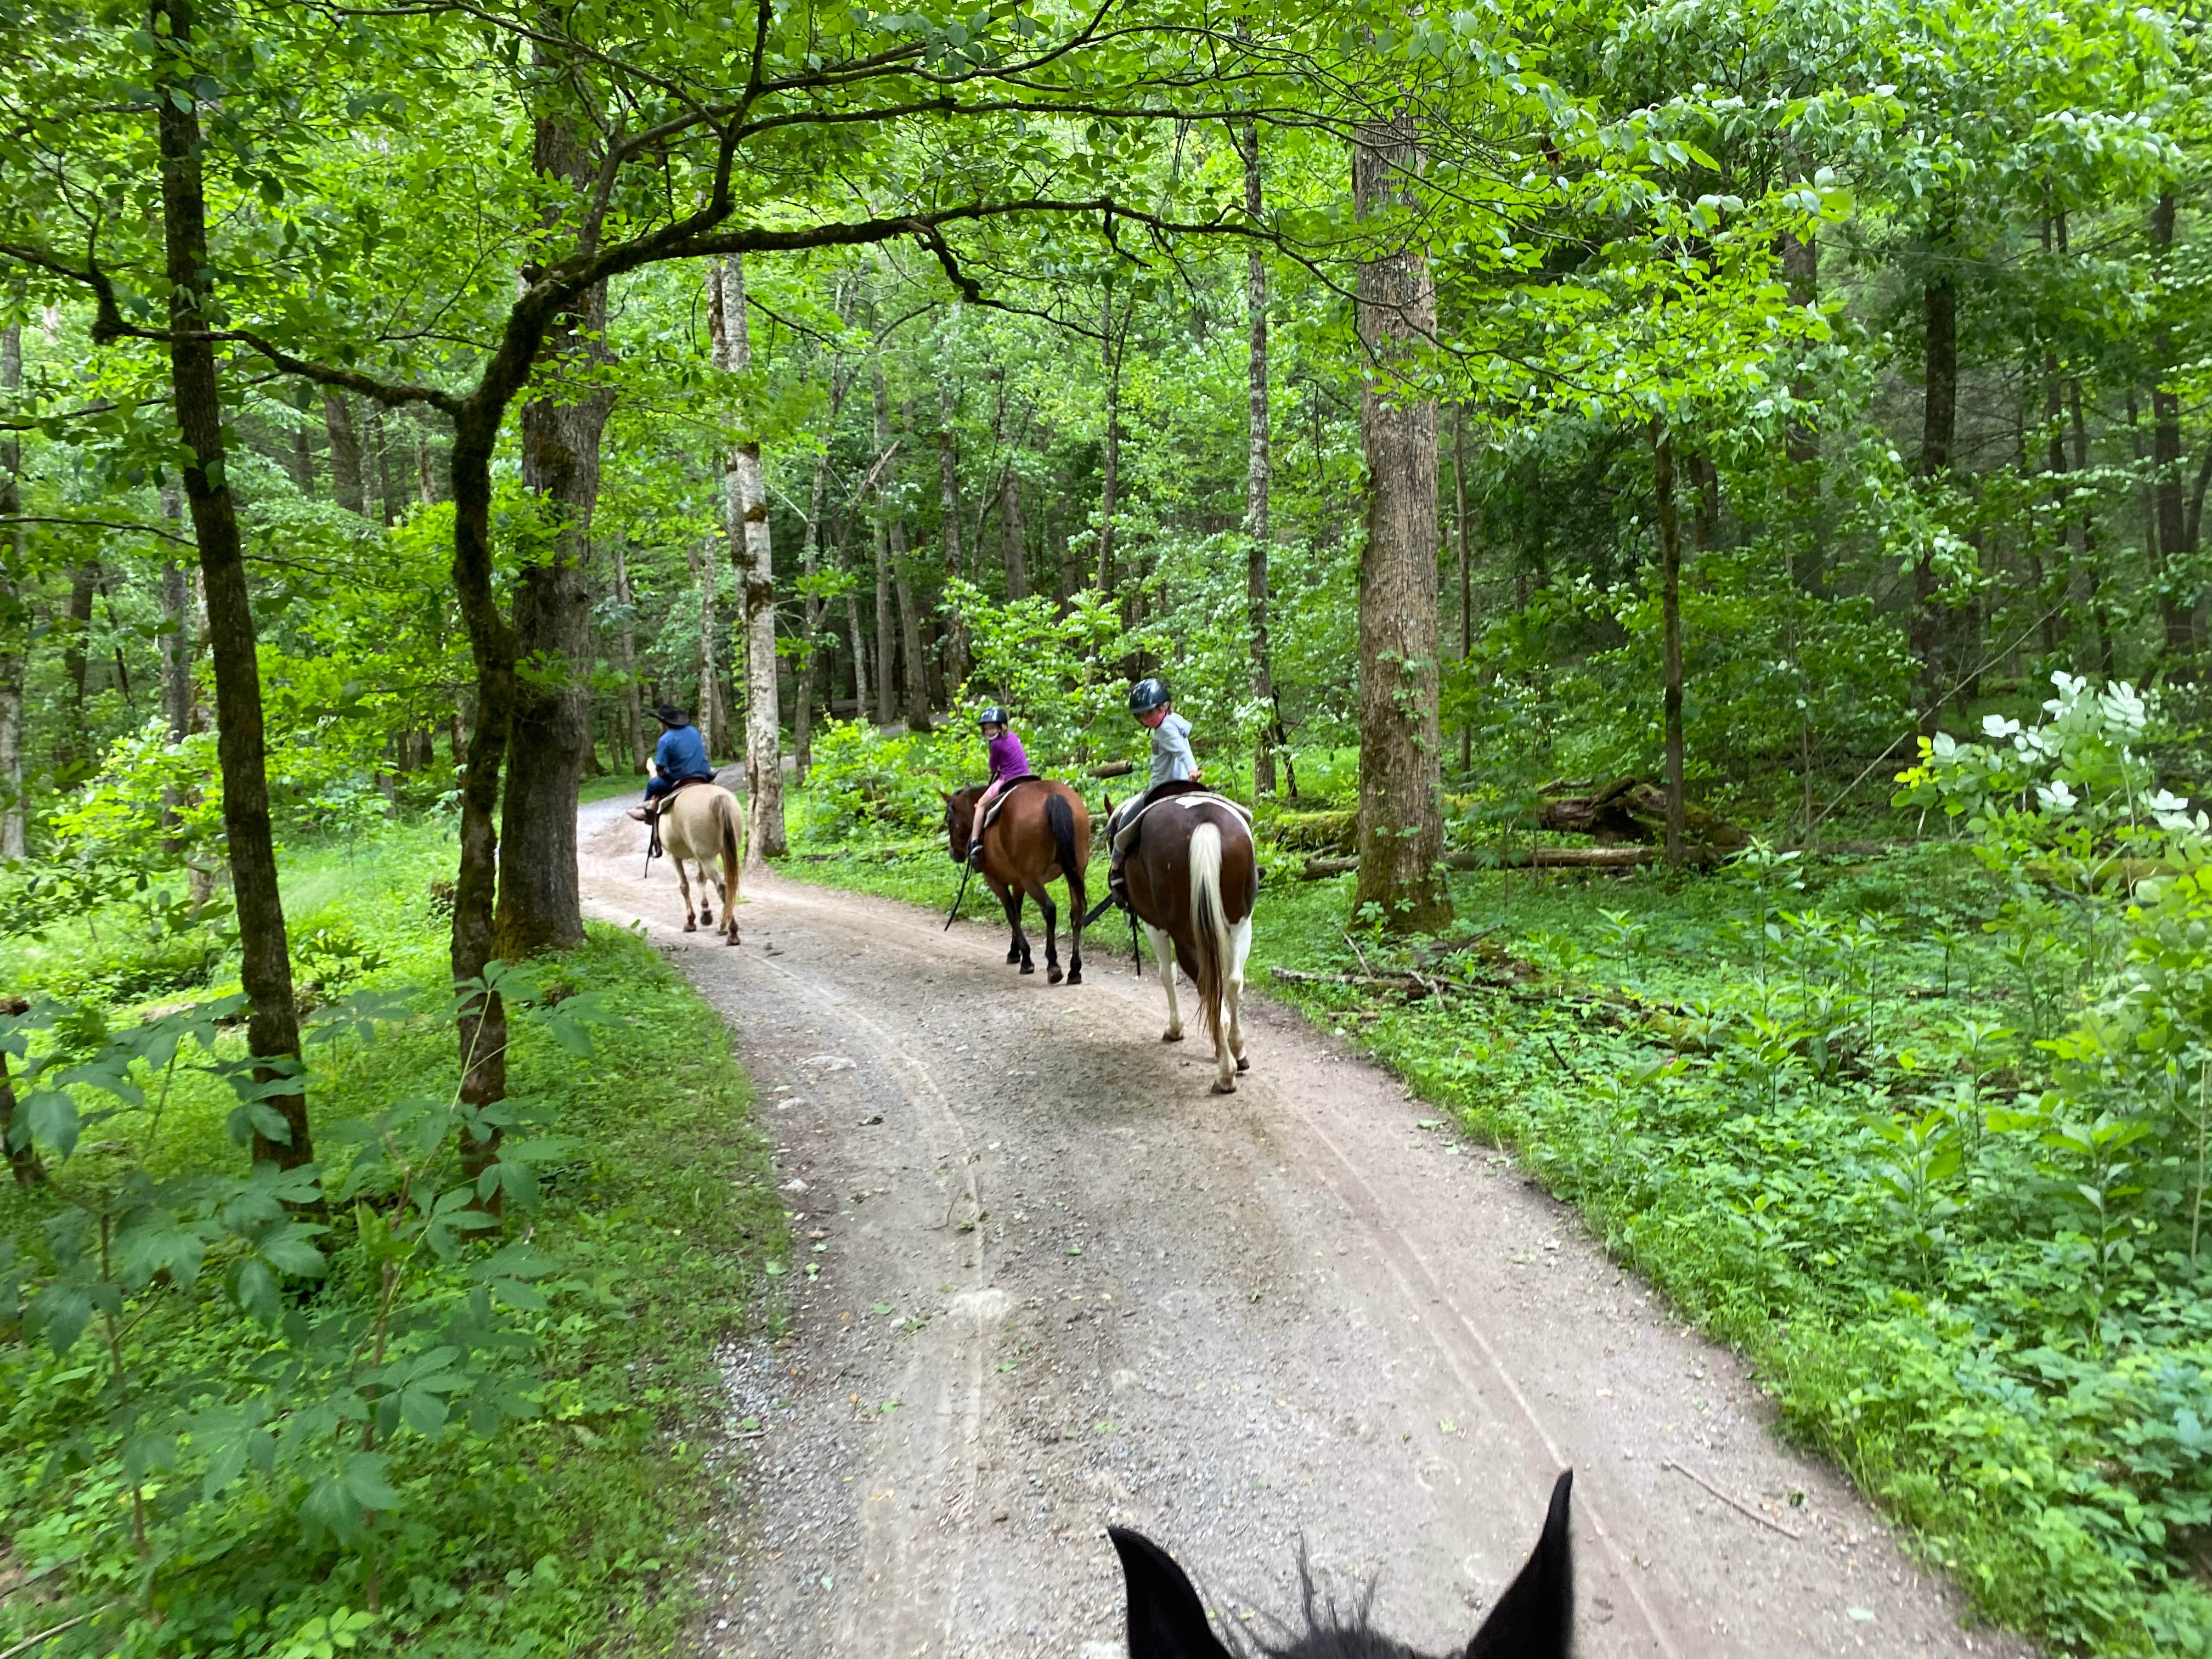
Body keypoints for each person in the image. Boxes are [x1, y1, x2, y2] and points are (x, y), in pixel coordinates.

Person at [1107, 678, 1200, 907]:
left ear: (1165, 707)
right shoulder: (1173, 723)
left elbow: (1181, 752)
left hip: (1162, 788)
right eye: (1142, 716)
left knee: (1124, 822)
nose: (1146, 719)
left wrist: (1192, 769)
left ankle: (1117, 865)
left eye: (1151, 713)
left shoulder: (1165, 730)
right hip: (1182, 785)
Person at [627, 704, 716, 823]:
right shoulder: (694, 731)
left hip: (681, 779)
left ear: (664, 723)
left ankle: (647, 811)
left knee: (653, 784)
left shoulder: (665, 739)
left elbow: (660, 769)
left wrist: (661, 772)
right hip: (703, 775)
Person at [966, 705, 1030, 862]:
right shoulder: (1012, 736)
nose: (989, 732)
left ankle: (974, 841)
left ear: (1002, 727)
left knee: (981, 804)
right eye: (987, 729)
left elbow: (993, 767)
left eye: (993, 728)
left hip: (1008, 779)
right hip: (1027, 775)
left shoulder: (995, 744)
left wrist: (996, 768)